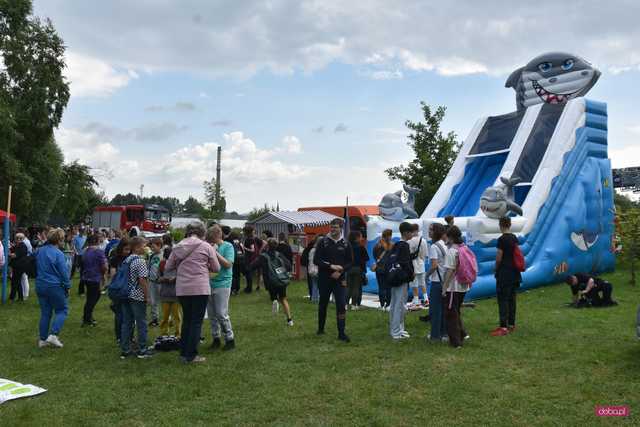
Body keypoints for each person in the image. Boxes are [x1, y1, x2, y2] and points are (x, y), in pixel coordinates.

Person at [166, 223, 220, 364]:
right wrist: (205, 265)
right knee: (196, 322)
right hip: (200, 288)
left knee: (187, 321)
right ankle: (191, 355)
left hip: (183, 288)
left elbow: (168, 266)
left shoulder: (178, 246)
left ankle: (184, 353)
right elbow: (216, 267)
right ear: (202, 232)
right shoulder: (206, 246)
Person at [314, 218, 353, 342]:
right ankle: (320, 329)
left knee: (341, 304)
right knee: (323, 304)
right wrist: (330, 266)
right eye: (331, 227)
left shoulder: (346, 243)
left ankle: (341, 333)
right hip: (324, 279)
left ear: (341, 228)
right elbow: (316, 260)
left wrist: (340, 271)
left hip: (340, 280)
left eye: (335, 227)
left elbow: (350, 262)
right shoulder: (323, 242)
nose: (333, 229)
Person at [35, 228, 71, 348]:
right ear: (59, 240)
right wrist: (68, 286)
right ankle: (53, 334)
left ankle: (42, 339)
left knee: (45, 313)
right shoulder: (58, 254)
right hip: (54, 285)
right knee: (62, 310)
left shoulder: (40, 251)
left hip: (40, 284)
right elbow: (64, 273)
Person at [119, 236, 154, 359]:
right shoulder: (140, 261)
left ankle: (125, 349)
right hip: (137, 295)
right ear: (137, 247)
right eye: (144, 246)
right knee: (141, 322)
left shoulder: (127, 259)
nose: (146, 248)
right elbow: (142, 280)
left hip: (125, 293)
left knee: (127, 323)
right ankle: (142, 349)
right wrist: (147, 296)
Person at [206, 225, 236, 350]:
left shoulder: (228, 246)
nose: (209, 239)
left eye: (211, 237)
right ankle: (216, 338)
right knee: (212, 314)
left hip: (223, 283)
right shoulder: (209, 246)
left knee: (221, 314)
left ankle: (230, 339)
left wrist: (214, 252)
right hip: (209, 283)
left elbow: (228, 264)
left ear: (218, 235)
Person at [252, 238, 294, 325]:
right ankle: (290, 320)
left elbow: (253, 265)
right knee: (283, 299)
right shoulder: (279, 254)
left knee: (274, 297)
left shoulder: (263, 256)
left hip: (270, 281)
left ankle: (275, 300)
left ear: (267, 245)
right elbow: (289, 266)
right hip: (281, 279)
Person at [491, 216, 522, 336]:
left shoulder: (502, 239)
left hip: (504, 273)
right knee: (512, 299)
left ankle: (503, 327)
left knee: (503, 300)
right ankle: (511, 324)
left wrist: (495, 268)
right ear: (510, 224)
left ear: (500, 225)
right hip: (515, 273)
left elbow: (499, 257)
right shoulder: (514, 238)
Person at [442, 226, 470, 348]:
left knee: (450, 314)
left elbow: (450, 271)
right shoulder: (464, 247)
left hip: (453, 287)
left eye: (447, 236)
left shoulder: (451, 251)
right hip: (463, 285)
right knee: (456, 310)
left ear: (451, 237)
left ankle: (456, 342)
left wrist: (444, 286)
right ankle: (462, 334)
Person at [388, 222, 414, 340]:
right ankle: (396, 332)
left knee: (395, 304)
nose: (413, 234)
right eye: (411, 232)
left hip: (394, 277)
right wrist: (411, 273)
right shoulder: (404, 245)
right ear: (406, 233)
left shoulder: (396, 244)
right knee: (399, 305)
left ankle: (398, 329)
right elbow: (405, 262)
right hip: (401, 278)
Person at [426, 223, 448, 342]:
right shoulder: (444, 244)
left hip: (436, 281)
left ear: (436, 232)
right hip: (445, 281)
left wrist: (426, 275)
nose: (429, 232)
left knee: (435, 310)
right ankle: (444, 333)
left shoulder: (434, 247)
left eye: (431, 230)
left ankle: (435, 335)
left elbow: (434, 265)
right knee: (443, 309)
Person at [81, 234, 107, 326]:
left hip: (86, 277)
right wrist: (103, 274)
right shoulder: (99, 252)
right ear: (97, 241)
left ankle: (88, 316)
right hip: (95, 277)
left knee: (90, 298)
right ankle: (87, 318)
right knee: (93, 298)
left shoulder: (86, 251)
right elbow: (104, 266)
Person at [108, 238, 131, 343]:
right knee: (121, 314)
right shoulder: (127, 259)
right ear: (121, 248)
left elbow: (113, 275)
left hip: (120, 289)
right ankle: (121, 336)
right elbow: (112, 275)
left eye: (129, 249)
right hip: (121, 289)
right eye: (126, 249)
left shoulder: (115, 259)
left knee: (121, 314)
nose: (127, 251)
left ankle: (121, 336)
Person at [158, 246, 181, 337]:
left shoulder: (178, 264)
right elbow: (158, 278)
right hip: (165, 293)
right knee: (165, 316)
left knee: (176, 316)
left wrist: (175, 278)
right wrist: (164, 279)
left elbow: (181, 276)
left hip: (175, 293)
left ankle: (177, 334)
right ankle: (164, 333)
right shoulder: (161, 264)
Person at [346, 231, 369, 311]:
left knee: (348, 287)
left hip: (348, 269)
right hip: (358, 269)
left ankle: (345, 304)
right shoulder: (361, 247)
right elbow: (366, 259)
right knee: (356, 287)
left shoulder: (347, 246)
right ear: (357, 238)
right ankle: (354, 305)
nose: (361, 238)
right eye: (360, 237)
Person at [408, 223, 428, 307]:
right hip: (421, 263)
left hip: (413, 265)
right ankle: (426, 299)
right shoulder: (423, 241)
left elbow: (408, 255)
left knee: (414, 283)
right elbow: (425, 254)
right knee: (422, 283)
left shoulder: (409, 241)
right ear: (418, 230)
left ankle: (416, 300)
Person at [372, 229, 393, 311]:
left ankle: (381, 305)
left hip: (379, 268)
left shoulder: (377, 245)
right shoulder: (392, 246)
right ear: (389, 236)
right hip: (389, 269)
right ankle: (388, 305)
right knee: (389, 288)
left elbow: (374, 256)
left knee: (381, 287)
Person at [147, 238, 163, 327]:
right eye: (151, 246)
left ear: (159, 246)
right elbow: (149, 267)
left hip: (161, 282)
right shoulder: (151, 256)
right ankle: (155, 319)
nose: (152, 248)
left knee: (164, 300)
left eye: (153, 246)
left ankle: (167, 318)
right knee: (153, 301)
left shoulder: (163, 255)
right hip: (152, 281)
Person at [9, 233, 29, 301]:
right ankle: (20, 297)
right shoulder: (18, 245)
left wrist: (8, 253)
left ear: (23, 239)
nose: (18, 239)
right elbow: (12, 249)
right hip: (17, 266)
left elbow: (15, 255)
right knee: (17, 282)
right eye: (17, 238)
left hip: (19, 266)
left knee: (15, 282)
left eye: (20, 238)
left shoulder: (22, 246)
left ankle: (12, 297)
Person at [241, 225, 262, 293]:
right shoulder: (254, 238)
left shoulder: (249, 239)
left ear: (246, 232)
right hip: (255, 258)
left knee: (248, 273)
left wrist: (244, 248)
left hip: (249, 258)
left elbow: (252, 250)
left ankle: (249, 288)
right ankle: (250, 287)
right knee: (250, 273)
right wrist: (260, 251)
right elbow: (263, 243)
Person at [229, 231, 244, 296]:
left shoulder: (230, 243)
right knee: (238, 276)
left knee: (233, 276)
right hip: (240, 260)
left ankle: (232, 289)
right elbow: (243, 251)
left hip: (234, 260)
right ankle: (237, 289)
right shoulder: (239, 242)